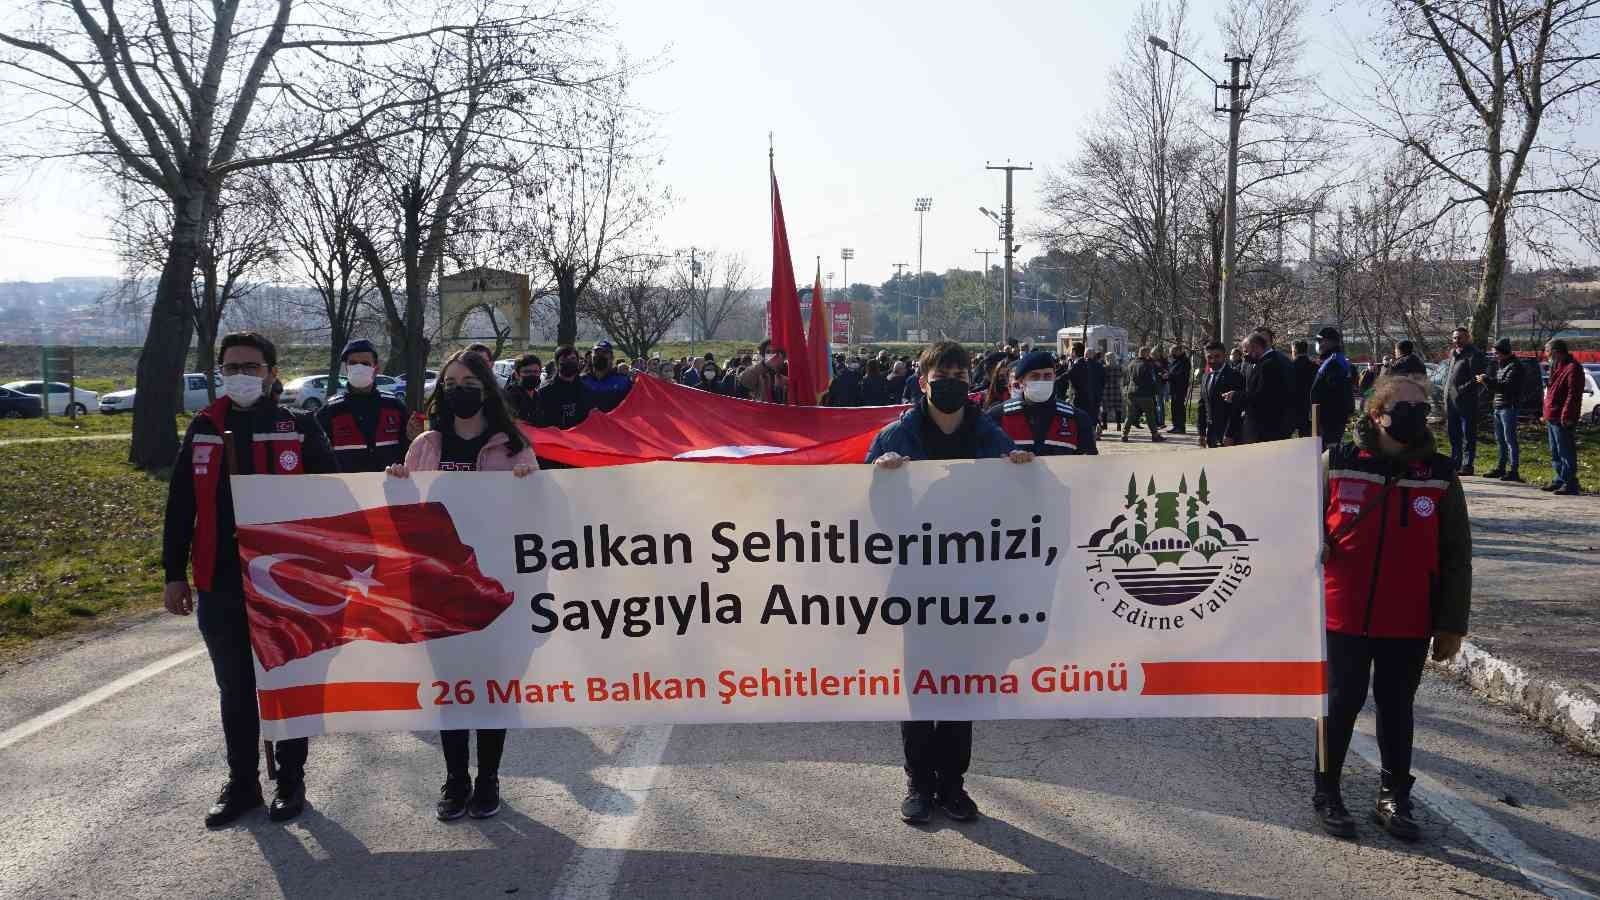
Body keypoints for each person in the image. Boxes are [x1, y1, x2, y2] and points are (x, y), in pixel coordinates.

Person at [162, 331, 338, 827]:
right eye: (232, 366)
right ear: (220, 371)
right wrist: (174, 573)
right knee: (234, 689)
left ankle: (290, 780)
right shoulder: (203, 427)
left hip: (285, 584)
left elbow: (333, 496)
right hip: (221, 583)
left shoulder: (299, 427)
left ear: (271, 373)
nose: (241, 375)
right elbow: (180, 506)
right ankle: (242, 785)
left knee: (286, 683)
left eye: (251, 367)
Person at [864, 341, 1034, 825]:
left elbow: (1023, 504)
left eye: (960, 373)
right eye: (944, 373)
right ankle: (919, 783)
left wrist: (1024, 475)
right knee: (921, 685)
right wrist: (879, 478)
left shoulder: (990, 437)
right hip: (917, 582)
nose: (952, 381)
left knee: (961, 685)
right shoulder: (894, 437)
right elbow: (866, 511)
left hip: (973, 584)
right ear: (924, 381)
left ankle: (953, 785)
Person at [385, 350, 538, 820]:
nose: (457, 389)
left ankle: (488, 778)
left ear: (486, 386)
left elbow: (537, 522)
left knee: (491, 687)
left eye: (467, 380)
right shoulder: (426, 447)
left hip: (495, 589)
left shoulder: (515, 449)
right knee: (451, 688)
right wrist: (396, 486)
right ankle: (455, 780)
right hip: (439, 591)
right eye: (449, 381)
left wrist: (528, 488)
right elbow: (406, 520)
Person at [1316, 372, 1470, 841]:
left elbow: (1455, 554)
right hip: (1342, 611)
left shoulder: (1440, 474)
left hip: (1407, 616)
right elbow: (1296, 523)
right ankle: (1328, 791)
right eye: (1401, 406)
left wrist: (1451, 624)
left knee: (1397, 706)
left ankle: (1393, 796)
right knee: (1341, 703)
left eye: (1420, 407)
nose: (1413, 415)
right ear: (1375, 414)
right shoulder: (1337, 462)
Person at [317, 338, 411, 475]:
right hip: (347, 492)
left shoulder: (394, 406)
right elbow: (319, 457)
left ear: (376, 369)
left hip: (390, 489)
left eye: (365, 364)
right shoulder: (330, 411)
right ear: (346, 369)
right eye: (353, 363)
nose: (359, 368)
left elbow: (410, 450)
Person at [990, 350, 1098, 455]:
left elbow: (1089, 464)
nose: (1042, 381)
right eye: (1035, 376)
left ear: (1054, 377)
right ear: (1021, 381)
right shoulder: (998, 417)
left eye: (1047, 376)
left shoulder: (1077, 419)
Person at [1227, 333, 1293, 443]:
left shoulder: (1269, 364)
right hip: (1263, 426)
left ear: (1256, 347)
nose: (1244, 355)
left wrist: (1236, 396)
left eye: (1246, 351)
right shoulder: (1262, 363)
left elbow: (1262, 396)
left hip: (1266, 427)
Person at [1476, 338, 1526, 482]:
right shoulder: (1502, 366)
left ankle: (1514, 470)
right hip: (1498, 406)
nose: (1494, 356)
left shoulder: (1515, 367)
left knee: (1510, 440)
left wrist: (1487, 380)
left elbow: (1505, 387)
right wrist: (1486, 381)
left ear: (1503, 352)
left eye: (1496, 353)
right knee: (1500, 440)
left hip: (1508, 406)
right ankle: (1501, 467)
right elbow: (1497, 387)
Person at [1542, 339, 1584, 495]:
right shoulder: (1556, 366)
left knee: (1565, 450)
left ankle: (1570, 482)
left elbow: (1573, 395)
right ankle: (1559, 478)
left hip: (1562, 416)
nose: (1546, 355)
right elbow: (1550, 392)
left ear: (1555, 351)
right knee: (1555, 451)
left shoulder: (1573, 368)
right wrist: (1545, 413)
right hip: (1552, 415)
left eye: (1547, 351)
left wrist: (1566, 415)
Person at [1443, 327, 1487, 475]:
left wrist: (1461, 390)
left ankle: (1468, 465)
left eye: (1460, 338)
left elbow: (1478, 379)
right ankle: (1456, 462)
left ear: (1468, 338)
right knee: (1453, 433)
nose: (1457, 341)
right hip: (1451, 401)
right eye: (1455, 338)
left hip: (1466, 402)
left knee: (1468, 434)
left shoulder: (1475, 355)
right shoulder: (1453, 354)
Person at [1310, 327, 1355, 448]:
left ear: (1328, 342)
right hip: (1330, 418)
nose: (1318, 344)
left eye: (1320, 341)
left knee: (1329, 454)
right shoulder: (1335, 359)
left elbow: (1335, 393)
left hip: (1329, 420)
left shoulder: (1334, 362)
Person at [535, 345, 595, 431]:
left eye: (572, 359)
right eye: (564, 359)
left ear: (578, 362)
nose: (569, 362)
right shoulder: (545, 392)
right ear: (557, 363)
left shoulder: (586, 390)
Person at [1198, 341, 1244, 448]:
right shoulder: (1206, 376)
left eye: (1217, 356)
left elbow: (1236, 409)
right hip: (1210, 434)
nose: (1213, 360)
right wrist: (1201, 433)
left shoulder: (1235, 376)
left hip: (1228, 435)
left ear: (1224, 356)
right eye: (1209, 357)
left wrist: (1229, 435)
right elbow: (1202, 405)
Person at [1122, 347, 1164, 443]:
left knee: (1130, 415)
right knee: (1150, 415)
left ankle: (1124, 434)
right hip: (1145, 393)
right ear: (1146, 354)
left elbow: (1126, 379)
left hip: (1131, 392)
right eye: (1149, 353)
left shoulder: (1131, 364)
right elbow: (1152, 379)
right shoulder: (1148, 365)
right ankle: (1155, 435)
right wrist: (1157, 389)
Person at [581, 340, 632, 412]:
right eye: (597, 353)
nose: (600, 355)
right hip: (587, 422)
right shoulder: (581, 380)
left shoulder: (623, 382)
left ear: (612, 358)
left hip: (612, 422)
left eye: (604, 353)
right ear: (591, 357)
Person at [739, 338, 788, 404]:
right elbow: (744, 381)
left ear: (783, 355)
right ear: (764, 355)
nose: (772, 355)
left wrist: (788, 383)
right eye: (768, 352)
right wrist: (763, 365)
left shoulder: (789, 371)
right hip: (764, 412)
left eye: (775, 352)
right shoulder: (759, 372)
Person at [503, 353, 543, 424]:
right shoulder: (509, 397)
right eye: (526, 372)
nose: (532, 375)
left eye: (536, 372)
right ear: (517, 374)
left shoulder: (538, 396)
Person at [1290, 340, 1320, 438]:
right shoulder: (1315, 367)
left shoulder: (1290, 366)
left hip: (1294, 406)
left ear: (1294, 351)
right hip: (1311, 406)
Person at [1166, 344, 1191, 435]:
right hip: (1174, 388)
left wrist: (1169, 375)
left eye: (1173, 353)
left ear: (1178, 351)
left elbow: (1181, 375)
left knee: (1179, 408)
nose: (1172, 355)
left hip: (1180, 388)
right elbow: (1173, 371)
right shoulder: (1177, 360)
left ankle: (1180, 427)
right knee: (1174, 408)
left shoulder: (1184, 361)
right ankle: (1176, 426)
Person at [1099, 351, 1124, 437]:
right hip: (1116, 388)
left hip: (1106, 389)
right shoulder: (1118, 367)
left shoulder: (1104, 368)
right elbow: (1121, 377)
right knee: (1118, 408)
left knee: (1105, 408)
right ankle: (1118, 424)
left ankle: (1105, 424)